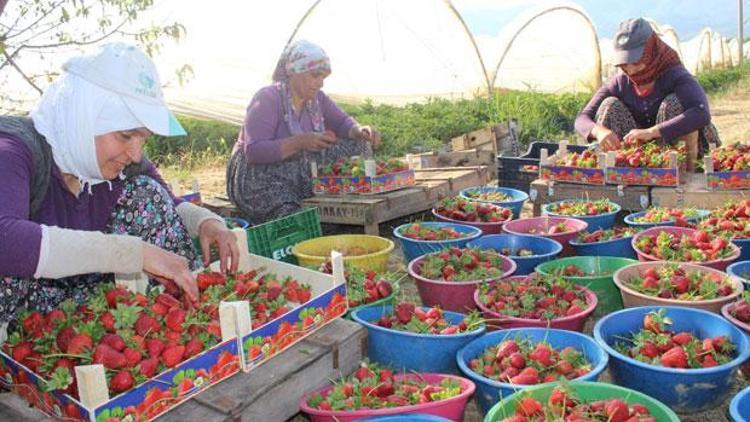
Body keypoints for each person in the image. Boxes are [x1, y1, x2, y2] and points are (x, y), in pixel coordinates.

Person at [0, 43, 239, 328]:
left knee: (146, 193)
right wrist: (133, 253)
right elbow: (5, 240)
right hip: (25, 324)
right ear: (84, 118)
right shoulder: (13, 150)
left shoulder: (117, 161)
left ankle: (180, 323)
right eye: (125, 136)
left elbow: (165, 200)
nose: (136, 153)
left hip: (90, 311)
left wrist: (207, 222)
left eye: (143, 139)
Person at [226, 40, 381, 224]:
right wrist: (300, 142)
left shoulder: (317, 99)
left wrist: (358, 130)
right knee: (291, 216)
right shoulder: (267, 98)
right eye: (315, 75)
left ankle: (342, 190)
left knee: (359, 143)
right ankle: (288, 209)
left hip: (296, 167)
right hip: (258, 174)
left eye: (324, 77)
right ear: (294, 71)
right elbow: (254, 151)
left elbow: (342, 122)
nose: (320, 83)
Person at [575, 17, 720, 156]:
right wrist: (600, 132)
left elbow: (701, 113)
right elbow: (582, 119)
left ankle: (684, 171)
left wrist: (652, 132)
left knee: (673, 103)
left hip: (682, 153)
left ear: (651, 51)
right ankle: (622, 169)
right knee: (609, 105)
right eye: (624, 64)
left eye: (636, 61)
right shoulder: (620, 83)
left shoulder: (674, 74)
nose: (630, 70)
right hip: (639, 154)